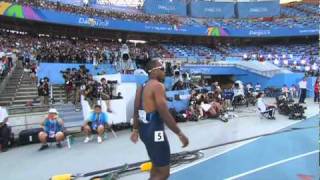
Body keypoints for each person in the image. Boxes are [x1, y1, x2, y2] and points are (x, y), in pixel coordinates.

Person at [130, 60, 189, 180]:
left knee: (156, 167)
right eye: (162, 69)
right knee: (163, 173)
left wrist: (135, 130)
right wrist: (179, 133)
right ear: (155, 70)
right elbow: (164, 113)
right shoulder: (157, 86)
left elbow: (136, 109)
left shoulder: (142, 86)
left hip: (144, 130)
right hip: (155, 131)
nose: (164, 72)